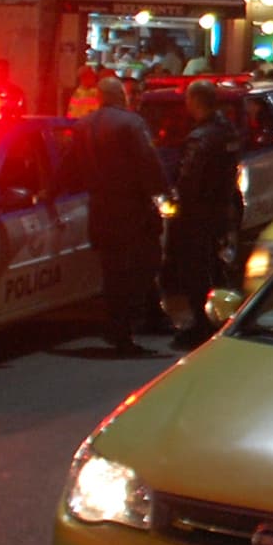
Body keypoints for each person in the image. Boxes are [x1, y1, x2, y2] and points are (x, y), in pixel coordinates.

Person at [78, 77, 169, 355]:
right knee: (138, 268)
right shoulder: (131, 124)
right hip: (130, 210)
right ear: (119, 95)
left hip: (100, 209)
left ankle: (119, 326)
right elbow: (147, 161)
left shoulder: (84, 125)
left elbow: (71, 164)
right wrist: (165, 191)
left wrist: (50, 193)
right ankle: (126, 330)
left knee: (112, 272)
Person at [160, 80, 242, 350]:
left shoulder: (202, 137)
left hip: (198, 215)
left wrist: (177, 203)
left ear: (195, 101)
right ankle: (217, 319)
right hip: (221, 211)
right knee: (216, 268)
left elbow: (189, 180)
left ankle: (201, 325)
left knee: (195, 271)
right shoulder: (227, 131)